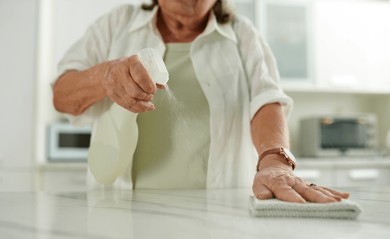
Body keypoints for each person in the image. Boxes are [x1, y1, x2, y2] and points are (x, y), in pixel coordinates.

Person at [53, 0, 349, 203]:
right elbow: (62, 95)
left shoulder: (242, 34)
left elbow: (267, 100)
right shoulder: (115, 25)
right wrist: (105, 76)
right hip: (120, 206)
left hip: (218, 210)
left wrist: (275, 162)